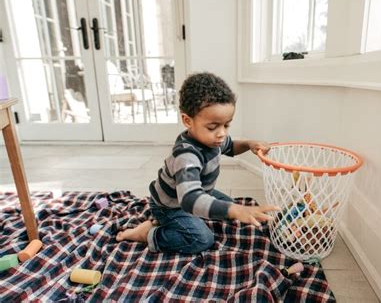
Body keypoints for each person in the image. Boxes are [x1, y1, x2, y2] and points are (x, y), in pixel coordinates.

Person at [116, 72, 280, 254]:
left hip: (197, 191)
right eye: (213, 127)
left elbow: (231, 146)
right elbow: (189, 199)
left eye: (226, 125)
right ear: (188, 121)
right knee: (202, 239)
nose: (222, 133)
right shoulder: (186, 155)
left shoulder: (212, 139)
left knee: (229, 209)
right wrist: (235, 210)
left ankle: (176, 221)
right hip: (171, 204)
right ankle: (149, 233)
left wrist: (249, 144)